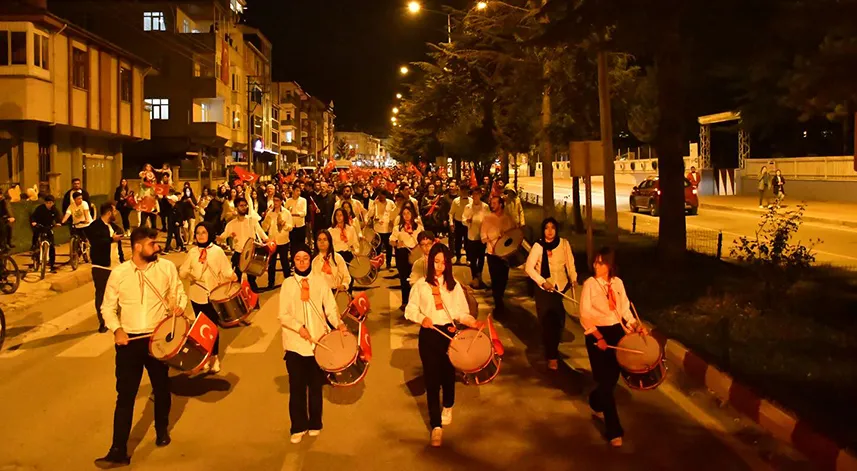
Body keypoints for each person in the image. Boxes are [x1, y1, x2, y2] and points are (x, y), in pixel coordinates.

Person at [95, 227, 188, 467]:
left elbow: (178, 292)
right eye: (152, 244)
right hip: (129, 343)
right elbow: (107, 307)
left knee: (161, 387)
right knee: (125, 395)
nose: (157, 247)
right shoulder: (119, 274)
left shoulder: (166, 267)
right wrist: (117, 329)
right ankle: (118, 449)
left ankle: (161, 429)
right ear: (137, 247)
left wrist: (178, 306)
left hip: (158, 339)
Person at [405, 243, 483, 447]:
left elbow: (461, 312)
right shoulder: (420, 285)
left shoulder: (454, 285)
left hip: (449, 333)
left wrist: (472, 322)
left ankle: (448, 405)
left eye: (444, 262)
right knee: (431, 379)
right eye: (436, 262)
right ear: (431, 262)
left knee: (448, 374)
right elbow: (409, 310)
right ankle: (435, 425)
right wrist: (422, 318)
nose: (440, 266)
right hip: (429, 334)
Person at [278, 246, 347, 444]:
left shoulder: (319, 282)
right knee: (297, 388)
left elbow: (331, 308)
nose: (301, 262)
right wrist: (299, 328)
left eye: (305, 258)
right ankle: (298, 426)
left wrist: (339, 324)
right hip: (295, 344)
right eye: (298, 259)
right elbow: (283, 314)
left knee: (315, 387)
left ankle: (316, 423)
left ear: (310, 260)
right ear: (293, 262)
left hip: (318, 343)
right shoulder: (288, 284)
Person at [579, 246, 644, 448]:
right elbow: (584, 314)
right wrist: (598, 337)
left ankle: (596, 400)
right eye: (595, 262)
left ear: (610, 265)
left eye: (601, 262)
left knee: (610, 381)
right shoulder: (590, 284)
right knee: (605, 382)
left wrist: (635, 325)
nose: (596, 266)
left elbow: (624, 308)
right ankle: (614, 430)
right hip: (597, 334)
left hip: (616, 332)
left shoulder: (617, 283)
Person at [179, 222, 236, 374]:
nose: (200, 235)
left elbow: (226, 270)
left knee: (212, 328)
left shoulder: (217, 251)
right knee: (200, 328)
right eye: (198, 233)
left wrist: (232, 276)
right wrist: (190, 275)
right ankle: (204, 357)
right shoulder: (192, 252)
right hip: (196, 295)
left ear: (209, 233)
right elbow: (182, 271)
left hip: (213, 294)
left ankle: (214, 357)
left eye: (204, 232)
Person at [525, 217, 578, 371]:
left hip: (560, 288)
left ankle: (552, 346)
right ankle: (552, 356)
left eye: (552, 227)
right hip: (544, 290)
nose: (549, 231)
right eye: (546, 227)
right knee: (547, 323)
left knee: (559, 321)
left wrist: (573, 279)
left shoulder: (564, 244)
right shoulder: (538, 246)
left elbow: (570, 263)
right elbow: (529, 268)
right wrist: (542, 281)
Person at [85, 201, 125, 333]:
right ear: (108, 212)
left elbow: (118, 244)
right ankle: (103, 322)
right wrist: (111, 239)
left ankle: (118, 319)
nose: (116, 214)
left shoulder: (113, 226)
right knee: (101, 295)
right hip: (101, 266)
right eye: (114, 211)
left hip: (116, 265)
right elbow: (96, 242)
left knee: (120, 294)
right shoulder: (95, 226)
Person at [220, 197, 268, 294]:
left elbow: (261, 233)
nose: (244, 207)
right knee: (236, 279)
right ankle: (240, 302)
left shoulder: (252, 220)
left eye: (245, 205)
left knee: (251, 279)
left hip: (251, 254)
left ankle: (254, 301)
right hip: (238, 253)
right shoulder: (231, 224)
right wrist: (217, 238)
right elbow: (223, 236)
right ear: (236, 208)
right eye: (241, 206)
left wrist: (268, 242)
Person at [481, 195, 515, 318]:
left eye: (495, 203)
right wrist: (496, 236)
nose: (492, 205)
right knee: (495, 280)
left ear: (501, 204)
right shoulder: (487, 219)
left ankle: (500, 298)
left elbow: (514, 235)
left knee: (504, 279)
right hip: (492, 254)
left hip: (505, 255)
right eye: (492, 203)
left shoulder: (508, 218)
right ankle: (498, 304)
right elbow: (483, 238)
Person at [391, 206, 424, 311]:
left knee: (417, 279)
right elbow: (391, 240)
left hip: (416, 253)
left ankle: (417, 303)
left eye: (408, 213)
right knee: (404, 279)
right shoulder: (398, 228)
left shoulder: (418, 227)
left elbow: (424, 238)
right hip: (402, 255)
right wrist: (396, 243)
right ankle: (405, 302)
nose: (406, 216)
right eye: (404, 213)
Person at [263, 193, 294, 289]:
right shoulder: (270, 213)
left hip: (283, 241)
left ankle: (289, 282)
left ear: (281, 201)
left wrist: (284, 225)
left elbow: (291, 227)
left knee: (284, 262)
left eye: (277, 200)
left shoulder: (286, 213)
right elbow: (264, 228)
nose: (275, 202)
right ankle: (270, 283)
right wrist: (265, 221)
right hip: (273, 241)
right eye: (274, 200)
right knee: (271, 263)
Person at [462, 187, 487, 289]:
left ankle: (479, 276)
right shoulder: (468, 207)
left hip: (482, 236)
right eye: (474, 194)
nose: (475, 196)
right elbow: (463, 219)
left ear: (480, 195)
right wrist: (467, 221)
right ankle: (474, 277)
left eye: (477, 194)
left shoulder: (485, 207)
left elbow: (489, 219)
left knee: (481, 257)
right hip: (471, 236)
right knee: (472, 258)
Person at [29, 195, 61, 273]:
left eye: (50, 203)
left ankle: (52, 265)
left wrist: (58, 223)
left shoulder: (54, 210)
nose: (49, 204)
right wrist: (34, 222)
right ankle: (33, 247)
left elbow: (58, 217)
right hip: (39, 225)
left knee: (52, 246)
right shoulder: (40, 209)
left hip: (48, 227)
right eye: (47, 203)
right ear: (45, 203)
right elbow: (33, 216)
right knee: (36, 233)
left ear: (53, 203)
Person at [366, 190, 395, 270]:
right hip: (378, 229)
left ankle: (388, 263)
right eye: (380, 195)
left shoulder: (390, 203)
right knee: (377, 248)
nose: (381, 197)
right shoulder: (375, 203)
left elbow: (394, 214)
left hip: (388, 229)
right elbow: (370, 214)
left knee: (389, 248)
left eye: (383, 195)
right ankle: (377, 264)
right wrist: (373, 204)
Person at [449, 186, 469, 265]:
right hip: (458, 222)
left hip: (468, 224)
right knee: (458, 242)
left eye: (465, 191)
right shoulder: (455, 201)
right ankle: (458, 258)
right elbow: (451, 213)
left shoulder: (471, 201)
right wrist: (451, 223)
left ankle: (468, 258)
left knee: (468, 242)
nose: (464, 192)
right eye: (462, 191)